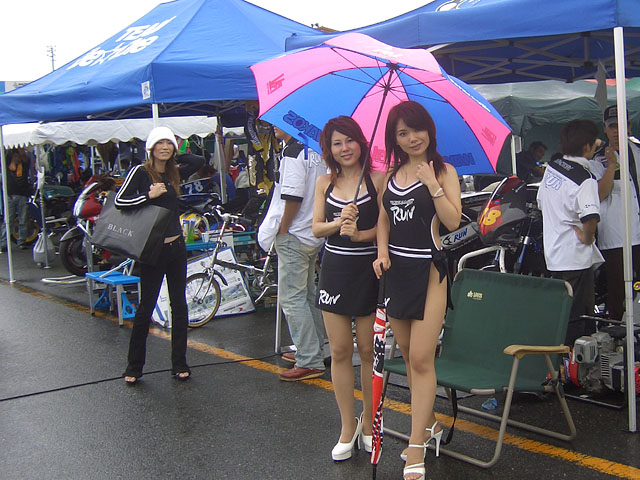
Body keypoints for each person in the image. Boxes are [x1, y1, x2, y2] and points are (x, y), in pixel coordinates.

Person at [373, 101, 461, 480]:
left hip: (430, 271)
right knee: (409, 356)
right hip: (396, 272)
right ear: (394, 139)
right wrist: (380, 252)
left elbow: (453, 221)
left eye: (417, 129)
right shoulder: (390, 175)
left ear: (429, 130)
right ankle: (431, 425)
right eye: (402, 133)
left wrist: (432, 185)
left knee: (423, 358)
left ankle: (416, 446)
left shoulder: (444, 171)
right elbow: (383, 219)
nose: (412, 138)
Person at [312, 116, 383, 461]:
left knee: (368, 351)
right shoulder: (324, 182)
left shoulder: (378, 179)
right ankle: (346, 426)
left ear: (361, 142)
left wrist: (360, 234)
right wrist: (339, 222)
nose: (345, 148)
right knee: (340, 351)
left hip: (367, 272)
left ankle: (369, 423)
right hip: (335, 271)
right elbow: (315, 228)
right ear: (329, 149)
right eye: (337, 143)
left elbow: (386, 229)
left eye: (350, 140)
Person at [115, 126, 204, 384]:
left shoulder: (174, 172)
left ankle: (180, 364)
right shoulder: (140, 172)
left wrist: (174, 155)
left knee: (179, 306)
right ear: (151, 147)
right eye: (160, 143)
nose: (164, 147)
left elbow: (198, 160)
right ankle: (134, 367)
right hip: (152, 249)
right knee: (146, 307)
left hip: (176, 248)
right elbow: (120, 201)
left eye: (168, 144)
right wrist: (147, 195)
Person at [257, 126, 327, 381]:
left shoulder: (294, 151)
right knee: (308, 294)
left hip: (295, 234)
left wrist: (284, 229)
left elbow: (292, 196)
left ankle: (309, 358)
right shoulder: (317, 150)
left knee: (292, 299)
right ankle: (318, 348)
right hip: (313, 233)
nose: (274, 126)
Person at [537, 119, 603, 344]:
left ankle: (558, 357)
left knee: (561, 313)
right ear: (586, 147)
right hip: (575, 257)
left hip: (553, 254)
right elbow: (590, 217)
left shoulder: (552, 167)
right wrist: (587, 236)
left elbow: (540, 201)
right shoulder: (585, 179)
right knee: (579, 317)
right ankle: (573, 361)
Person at [590, 105, 640, 321]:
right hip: (616, 235)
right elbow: (599, 194)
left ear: (629, 126)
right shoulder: (597, 159)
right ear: (605, 128)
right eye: (612, 126)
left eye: (620, 125)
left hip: (638, 230)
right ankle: (616, 330)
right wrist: (611, 165)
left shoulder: (638, 151)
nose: (616, 131)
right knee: (617, 288)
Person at [1, 148, 32, 251]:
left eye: (18, 156)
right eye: (15, 156)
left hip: (22, 195)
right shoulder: (7, 165)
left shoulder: (24, 165)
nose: (17, 158)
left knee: (23, 220)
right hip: (9, 196)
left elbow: (25, 157)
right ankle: (4, 243)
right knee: (8, 220)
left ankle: (22, 241)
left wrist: (19, 147)